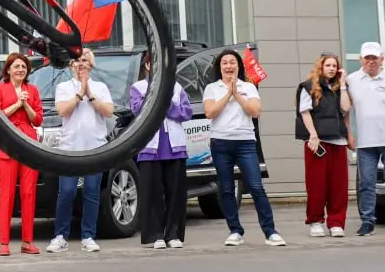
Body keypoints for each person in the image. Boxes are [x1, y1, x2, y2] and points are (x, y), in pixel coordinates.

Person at [203, 49, 284, 247]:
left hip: (245, 142)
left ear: (239, 66)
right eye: (225, 63)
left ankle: (270, 231)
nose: (229, 66)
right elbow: (210, 112)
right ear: (219, 67)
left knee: (256, 186)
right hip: (220, 143)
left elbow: (255, 111)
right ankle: (235, 231)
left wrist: (237, 95)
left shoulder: (249, 87)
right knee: (227, 189)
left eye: (232, 62)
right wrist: (227, 94)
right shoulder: (212, 88)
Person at [46, 49, 112, 254]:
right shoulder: (63, 87)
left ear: (91, 66)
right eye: (76, 61)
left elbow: (109, 112)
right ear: (70, 65)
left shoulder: (100, 87)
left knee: (92, 192)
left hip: (95, 147)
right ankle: (60, 236)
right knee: (66, 191)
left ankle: (88, 236)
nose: (80, 64)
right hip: (70, 147)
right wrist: (79, 94)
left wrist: (90, 94)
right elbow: (63, 111)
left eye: (84, 61)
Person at [345, 41, 385, 237]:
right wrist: (349, 133)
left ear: (382, 59)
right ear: (361, 59)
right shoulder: (352, 80)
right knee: (366, 184)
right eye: (367, 58)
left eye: (374, 58)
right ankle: (367, 222)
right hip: (365, 142)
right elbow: (345, 110)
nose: (371, 62)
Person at [130, 51, 194, 249]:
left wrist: (166, 105)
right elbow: (138, 110)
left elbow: (186, 112)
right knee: (152, 193)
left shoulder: (176, 87)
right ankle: (155, 234)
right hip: (150, 147)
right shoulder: (138, 87)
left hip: (175, 147)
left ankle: (173, 233)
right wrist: (161, 101)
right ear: (147, 66)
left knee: (176, 193)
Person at [0, 52, 43, 256]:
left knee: (28, 193)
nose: (20, 69)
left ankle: (27, 241)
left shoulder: (33, 90)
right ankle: (4, 242)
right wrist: (17, 104)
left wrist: (26, 104)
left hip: (28, 142)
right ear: (8, 70)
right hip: (6, 144)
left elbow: (38, 120)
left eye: (23, 66)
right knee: (7, 194)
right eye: (16, 66)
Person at [295, 53, 353, 239]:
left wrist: (343, 85)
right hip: (317, 143)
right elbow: (305, 112)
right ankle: (316, 221)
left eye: (334, 66)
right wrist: (313, 135)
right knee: (317, 185)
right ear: (320, 67)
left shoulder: (339, 88)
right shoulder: (308, 86)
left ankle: (336, 222)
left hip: (338, 141)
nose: (331, 69)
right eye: (328, 65)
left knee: (339, 186)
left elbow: (345, 110)